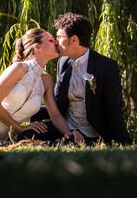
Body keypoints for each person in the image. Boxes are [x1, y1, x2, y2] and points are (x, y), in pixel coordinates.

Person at [18, 13, 131, 145]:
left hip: (92, 133)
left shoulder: (106, 67)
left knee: (68, 144)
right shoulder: (63, 62)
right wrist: (25, 112)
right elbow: (58, 103)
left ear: (74, 40)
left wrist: (124, 142)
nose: (55, 41)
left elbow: (114, 109)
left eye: (59, 37)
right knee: (26, 135)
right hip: (64, 126)